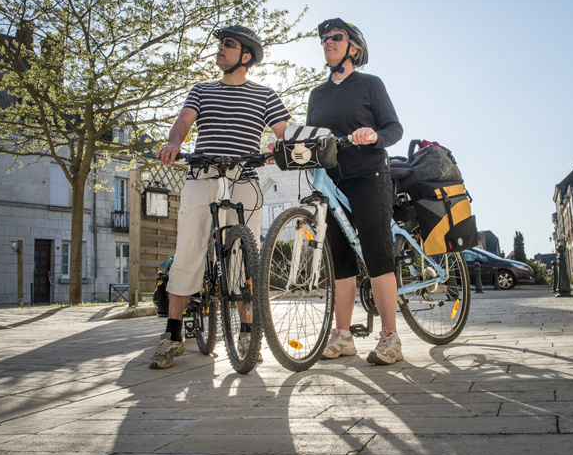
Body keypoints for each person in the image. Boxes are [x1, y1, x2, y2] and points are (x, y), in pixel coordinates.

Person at [150, 25, 290, 369]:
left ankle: (247, 332)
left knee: (244, 258)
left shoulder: (265, 95)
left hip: (245, 178)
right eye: (220, 43)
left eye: (228, 44)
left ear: (246, 57)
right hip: (203, 174)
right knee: (189, 252)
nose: (219, 48)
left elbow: (284, 132)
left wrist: (279, 148)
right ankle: (172, 334)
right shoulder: (201, 91)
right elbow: (183, 124)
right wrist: (173, 144)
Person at [306, 18, 404, 365]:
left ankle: (390, 337)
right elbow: (311, 138)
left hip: (369, 174)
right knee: (341, 263)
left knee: (377, 255)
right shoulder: (316, 94)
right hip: (332, 183)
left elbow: (394, 128)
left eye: (336, 37)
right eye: (324, 38)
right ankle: (343, 336)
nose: (327, 42)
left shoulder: (370, 85)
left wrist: (373, 135)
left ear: (354, 48)